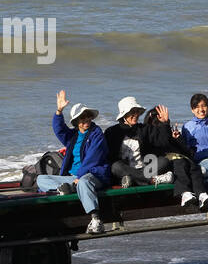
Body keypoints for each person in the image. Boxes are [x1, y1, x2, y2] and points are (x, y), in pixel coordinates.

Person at [35, 90, 111, 233]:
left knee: (83, 182)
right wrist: (59, 111)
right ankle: (64, 189)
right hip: (73, 178)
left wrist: (79, 177)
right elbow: (59, 130)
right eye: (82, 118)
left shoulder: (97, 134)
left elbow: (92, 159)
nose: (86, 120)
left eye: (88, 116)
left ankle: (96, 220)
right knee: (41, 179)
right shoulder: (73, 136)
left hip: (94, 175)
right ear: (76, 122)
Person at [139, 105, 208, 208]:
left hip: (175, 165)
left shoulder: (167, 133)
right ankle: (185, 193)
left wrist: (178, 139)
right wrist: (165, 125)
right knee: (180, 161)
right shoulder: (148, 132)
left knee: (190, 163)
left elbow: (188, 153)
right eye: (160, 119)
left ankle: (202, 194)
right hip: (158, 166)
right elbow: (161, 143)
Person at [105, 96, 159, 188]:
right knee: (115, 166)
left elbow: (162, 141)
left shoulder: (143, 129)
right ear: (124, 114)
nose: (136, 114)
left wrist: (165, 124)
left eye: (137, 111)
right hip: (124, 170)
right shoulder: (112, 132)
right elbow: (108, 156)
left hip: (143, 169)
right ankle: (151, 180)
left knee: (163, 161)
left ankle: (134, 180)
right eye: (132, 112)